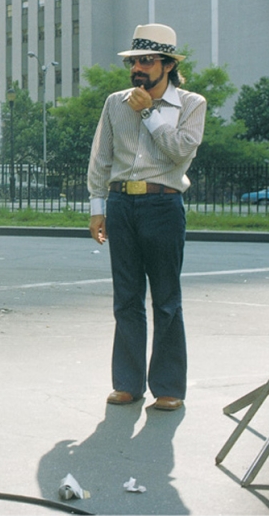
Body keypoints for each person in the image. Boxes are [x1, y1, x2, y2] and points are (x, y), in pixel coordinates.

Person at [87, 24, 207, 411]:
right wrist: (97, 208)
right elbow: (101, 157)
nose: (138, 67)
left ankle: (169, 388)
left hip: (163, 205)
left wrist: (151, 113)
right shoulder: (114, 102)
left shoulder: (191, 104)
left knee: (167, 300)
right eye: (134, 60)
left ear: (168, 65)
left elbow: (180, 152)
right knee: (126, 298)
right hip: (122, 206)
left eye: (147, 60)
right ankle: (127, 383)